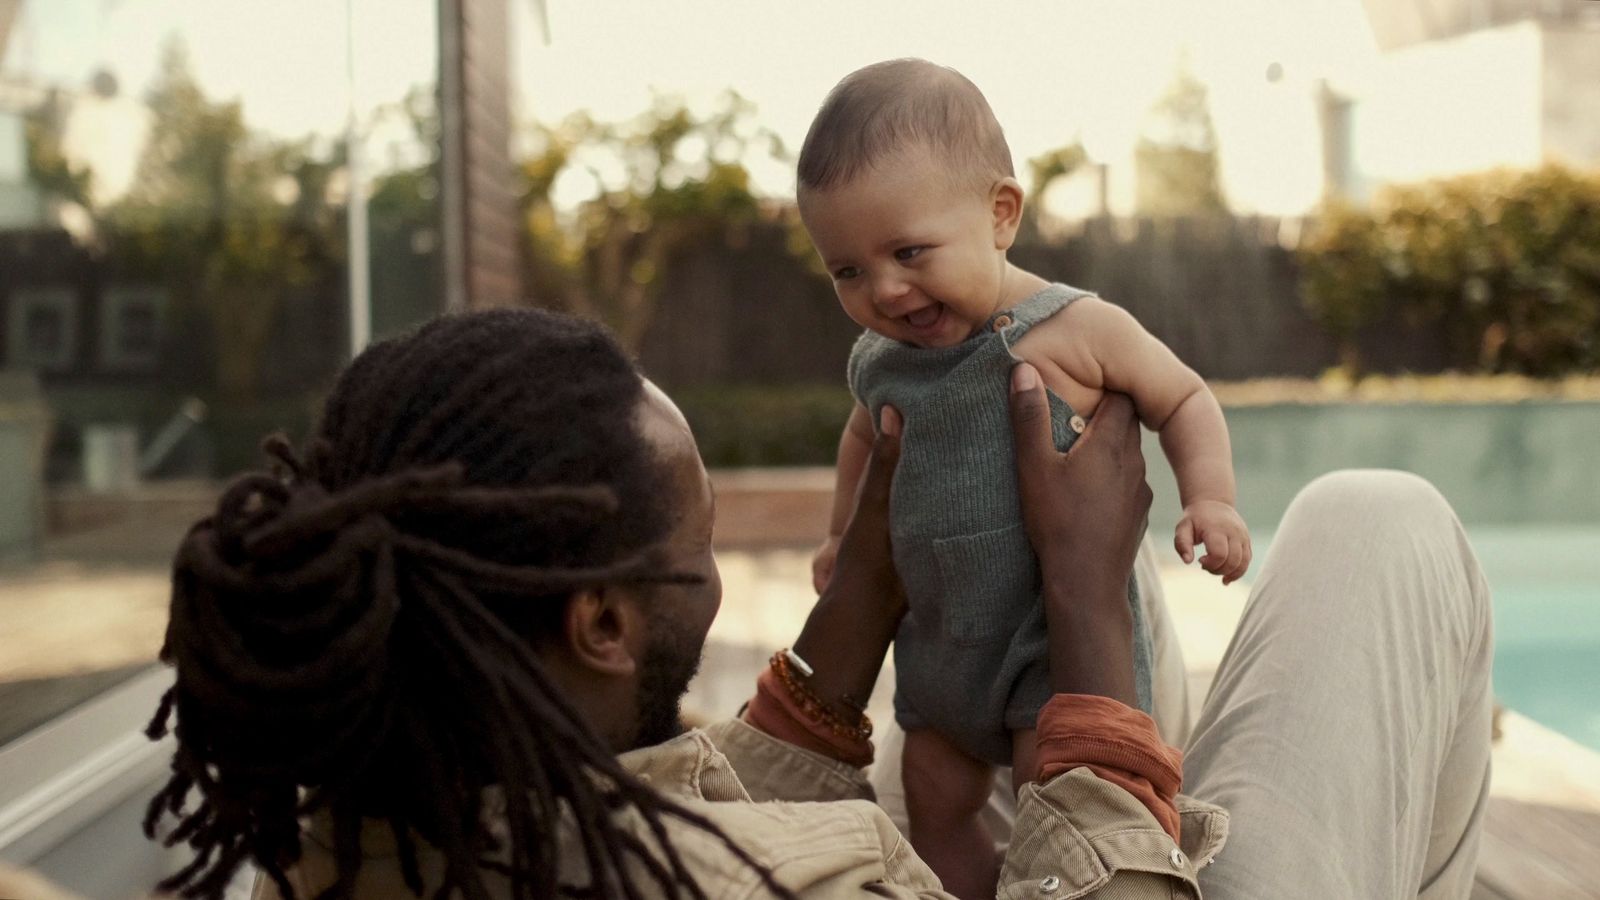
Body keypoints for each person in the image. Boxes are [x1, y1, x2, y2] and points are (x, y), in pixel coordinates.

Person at [144, 308, 1492, 899]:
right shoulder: (810, 881)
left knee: (961, 731)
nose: (719, 561)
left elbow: (647, 803)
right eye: (699, 537)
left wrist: (855, 621)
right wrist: (1085, 613)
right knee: (1379, 529)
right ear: (601, 626)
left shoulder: (354, 837)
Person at [796, 58, 1249, 895]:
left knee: (1058, 783)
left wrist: (1210, 497)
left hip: (1055, 654)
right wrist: (838, 533)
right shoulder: (880, 362)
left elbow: (1182, 396)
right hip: (942, 650)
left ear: (1000, 214)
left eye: (908, 252)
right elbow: (865, 437)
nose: (885, 291)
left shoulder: (1074, 328)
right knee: (931, 797)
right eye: (848, 271)